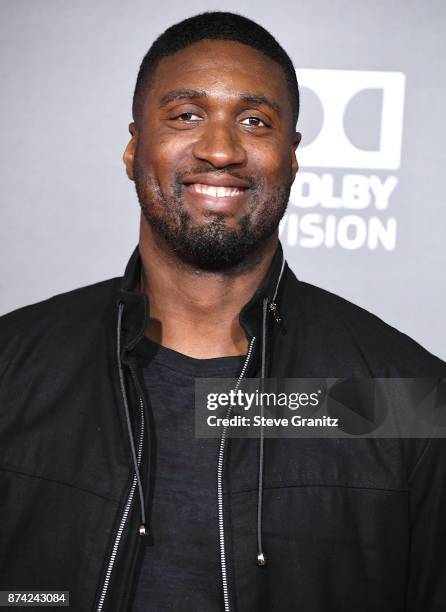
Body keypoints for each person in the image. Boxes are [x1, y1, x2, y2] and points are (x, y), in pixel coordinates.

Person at [0, 11, 445, 612]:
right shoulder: (13, 366)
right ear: (134, 148)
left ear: (292, 157)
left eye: (255, 122)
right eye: (186, 116)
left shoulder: (408, 395)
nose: (219, 150)